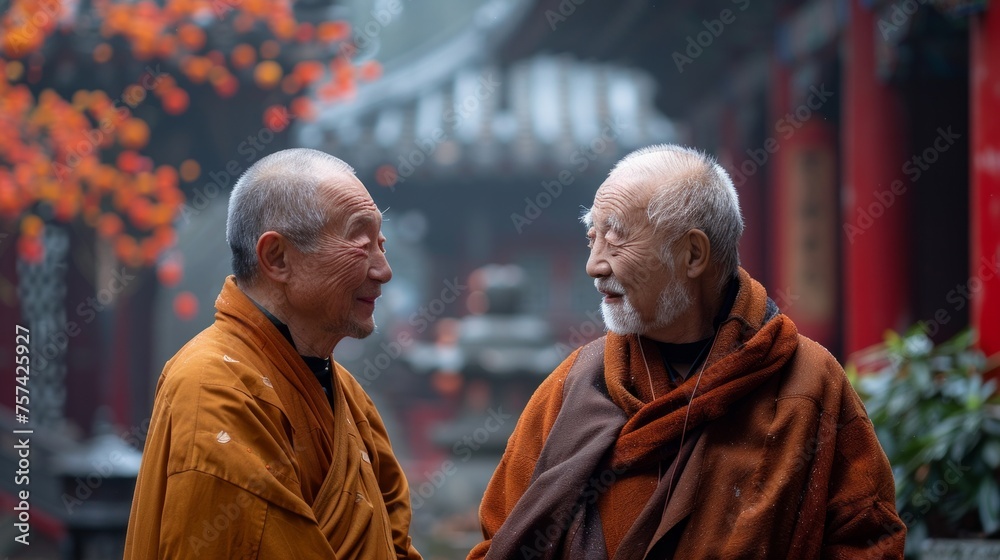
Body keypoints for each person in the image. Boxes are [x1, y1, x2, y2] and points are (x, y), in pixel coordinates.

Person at [469, 144, 905, 559]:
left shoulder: (806, 381)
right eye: (592, 238)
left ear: (693, 254)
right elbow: (502, 533)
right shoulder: (576, 383)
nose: (594, 265)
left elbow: (867, 539)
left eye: (616, 239)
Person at [125, 149, 422, 559]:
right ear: (277, 258)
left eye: (381, 244)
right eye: (361, 244)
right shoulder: (212, 387)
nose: (383, 270)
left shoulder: (351, 399)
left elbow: (393, 544)